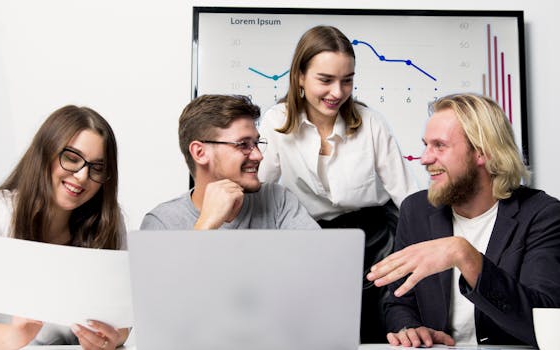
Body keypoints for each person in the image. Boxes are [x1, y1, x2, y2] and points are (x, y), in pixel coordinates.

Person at [258, 25, 418, 342]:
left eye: (347, 80)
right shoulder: (276, 121)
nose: (338, 92)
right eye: (326, 80)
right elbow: (259, 189)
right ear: (300, 76)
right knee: (312, 336)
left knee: (376, 334)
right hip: (308, 242)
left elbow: (408, 195)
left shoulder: (371, 122)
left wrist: (437, 246)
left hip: (374, 242)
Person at [367, 93, 560, 347]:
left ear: (482, 153)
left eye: (439, 146)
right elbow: (399, 302)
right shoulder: (416, 210)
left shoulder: (543, 215)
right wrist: (411, 329)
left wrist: (464, 254)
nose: (425, 159)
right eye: (426, 145)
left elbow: (545, 323)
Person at [0, 105, 130, 349]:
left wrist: (112, 338)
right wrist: (13, 338)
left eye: (97, 168)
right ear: (44, 154)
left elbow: (121, 318)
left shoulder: (109, 221)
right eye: (71, 158)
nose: (82, 176)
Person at [140, 94, 319, 230]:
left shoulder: (277, 200)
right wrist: (206, 225)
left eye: (256, 143)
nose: (258, 156)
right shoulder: (162, 222)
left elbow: (323, 265)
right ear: (200, 153)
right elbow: (168, 280)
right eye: (243, 144)